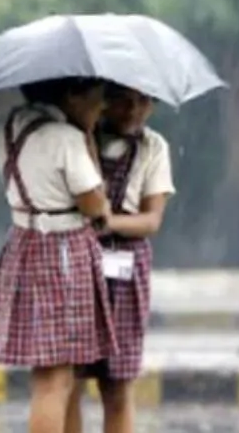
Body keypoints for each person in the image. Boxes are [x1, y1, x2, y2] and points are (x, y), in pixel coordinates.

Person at [0, 77, 119, 433]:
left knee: (57, 374)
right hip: (61, 252)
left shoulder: (10, 128)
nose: (101, 107)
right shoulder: (65, 139)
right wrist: (88, 139)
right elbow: (93, 204)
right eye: (96, 98)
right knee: (55, 380)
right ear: (71, 95)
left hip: (23, 244)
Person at [64, 84, 176, 433]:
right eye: (123, 101)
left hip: (126, 270)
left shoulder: (153, 147)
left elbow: (150, 220)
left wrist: (107, 221)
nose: (133, 111)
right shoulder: (76, 141)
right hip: (78, 265)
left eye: (144, 102)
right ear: (103, 101)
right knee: (71, 379)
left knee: (117, 383)